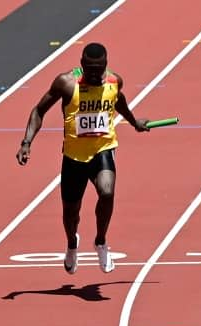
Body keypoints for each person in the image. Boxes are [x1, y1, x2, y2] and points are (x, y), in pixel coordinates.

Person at [16, 42, 149, 274]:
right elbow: (39, 111)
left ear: (106, 64)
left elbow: (120, 100)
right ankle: (71, 244)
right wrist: (26, 142)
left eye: (100, 69)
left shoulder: (114, 81)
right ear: (82, 66)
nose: (97, 75)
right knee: (71, 214)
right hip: (73, 157)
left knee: (107, 191)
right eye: (91, 70)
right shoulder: (66, 83)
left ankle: (100, 241)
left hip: (103, 149)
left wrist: (134, 121)